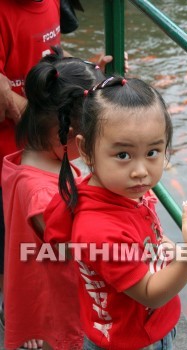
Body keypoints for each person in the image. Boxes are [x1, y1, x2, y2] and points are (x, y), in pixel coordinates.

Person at [44, 76, 187, 350]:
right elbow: (151, 294)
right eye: (123, 155)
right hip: (131, 341)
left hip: (148, 328)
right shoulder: (98, 228)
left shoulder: (124, 190)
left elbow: (148, 246)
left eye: (153, 151)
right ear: (85, 150)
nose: (141, 170)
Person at [1, 48, 105, 350]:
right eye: (92, 138)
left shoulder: (29, 161)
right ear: (69, 135)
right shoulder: (43, 193)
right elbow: (80, 252)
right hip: (60, 307)